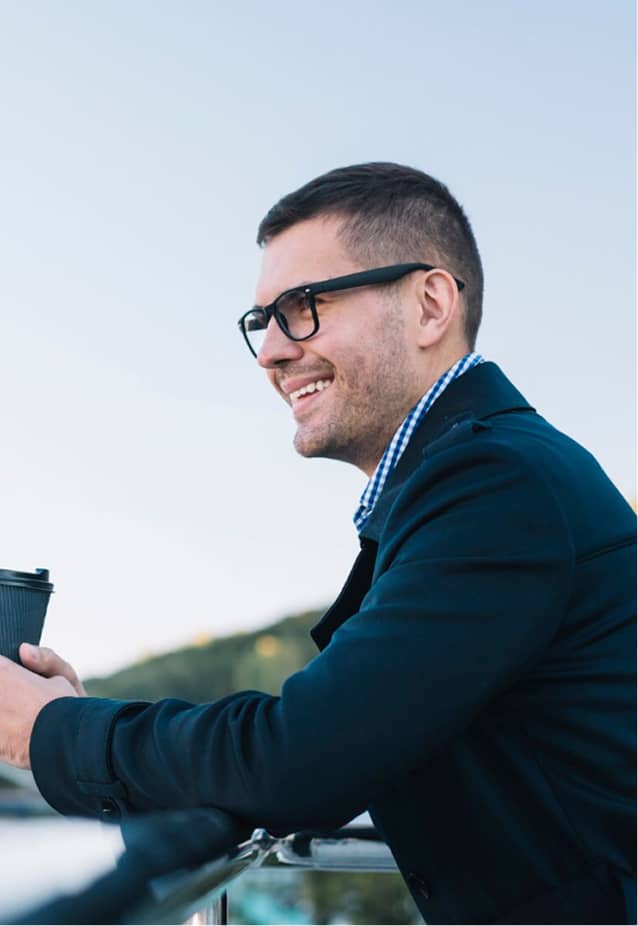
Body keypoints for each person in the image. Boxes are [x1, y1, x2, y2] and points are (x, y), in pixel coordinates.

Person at [0, 162, 635, 924]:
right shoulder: (483, 476)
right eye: (261, 320)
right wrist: (83, 721)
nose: (269, 351)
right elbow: (338, 732)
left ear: (430, 305)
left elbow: (300, 757)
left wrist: (50, 732)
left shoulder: (496, 483)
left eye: (303, 307)